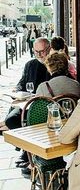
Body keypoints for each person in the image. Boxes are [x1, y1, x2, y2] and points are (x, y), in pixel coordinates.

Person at [0, 37, 51, 167]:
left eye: (42, 51)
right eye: (36, 51)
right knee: (11, 120)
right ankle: (27, 149)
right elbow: (22, 82)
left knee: (20, 122)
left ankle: (27, 152)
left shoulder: (53, 64)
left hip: (42, 106)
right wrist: (16, 90)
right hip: (25, 103)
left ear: (49, 49)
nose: (39, 55)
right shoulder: (30, 64)